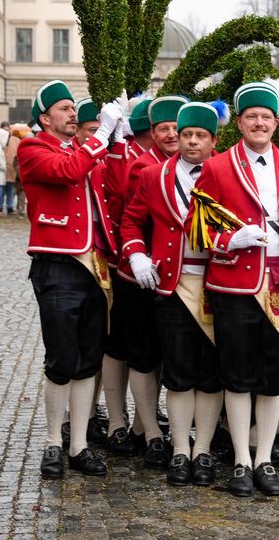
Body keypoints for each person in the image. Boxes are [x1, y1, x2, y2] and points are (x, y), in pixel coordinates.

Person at [192, 81, 279, 498]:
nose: (259, 123)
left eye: (266, 116)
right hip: (234, 282)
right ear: (239, 123)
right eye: (251, 116)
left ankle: (265, 458)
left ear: (276, 122)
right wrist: (229, 242)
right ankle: (241, 459)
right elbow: (197, 228)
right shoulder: (217, 166)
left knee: (274, 376)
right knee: (237, 376)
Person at [18, 79, 124, 479]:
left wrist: (120, 144)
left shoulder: (83, 150)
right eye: (64, 108)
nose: (72, 113)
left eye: (72, 107)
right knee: (61, 360)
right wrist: (99, 141)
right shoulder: (33, 148)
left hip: (94, 264)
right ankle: (52, 440)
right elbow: (65, 172)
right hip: (58, 262)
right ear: (44, 118)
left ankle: (78, 444)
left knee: (87, 360)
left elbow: (111, 189)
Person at [120, 101, 226, 487]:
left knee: (211, 374)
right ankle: (181, 449)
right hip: (171, 285)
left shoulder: (229, 173)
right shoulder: (153, 175)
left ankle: (204, 451)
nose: (192, 142)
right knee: (178, 373)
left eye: (200, 136)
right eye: (186, 135)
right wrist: (136, 254)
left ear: (214, 140)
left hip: (218, 285)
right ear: (176, 138)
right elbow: (131, 219)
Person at [114, 94, 187, 469]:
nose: (173, 134)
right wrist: (137, 255)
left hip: (181, 277)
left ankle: (161, 424)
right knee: (144, 355)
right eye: (164, 129)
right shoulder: (143, 167)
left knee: (172, 356)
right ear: (153, 133)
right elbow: (131, 218)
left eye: (178, 128)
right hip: (141, 276)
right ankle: (149, 428)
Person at [100, 96, 153, 455]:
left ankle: (143, 421)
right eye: (161, 128)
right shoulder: (132, 157)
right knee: (120, 346)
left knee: (152, 351)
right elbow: (118, 198)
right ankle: (118, 418)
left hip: (166, 272)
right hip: (128, 267)